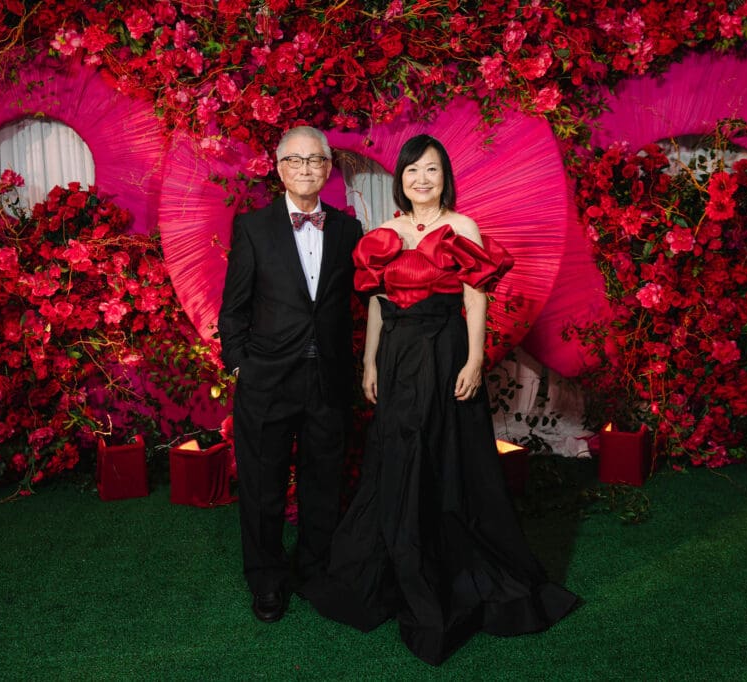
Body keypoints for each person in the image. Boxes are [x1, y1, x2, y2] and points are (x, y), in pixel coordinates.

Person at [304, 134, 578, 665]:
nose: (421, 180)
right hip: (400, 354)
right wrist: (368, 362)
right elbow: (380, 304)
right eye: (412, 171)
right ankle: (399, 555)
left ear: (443, 177)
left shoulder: (463, 227)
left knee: (450, 451)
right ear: (400, 179)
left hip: (448, 348)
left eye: (431, 170)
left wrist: (475, 360)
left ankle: (452, 559)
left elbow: (476, 299)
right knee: (399, 448)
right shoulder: (385, 233)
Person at [218, 126, 364, 623]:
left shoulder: (348, 231)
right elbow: (233, 309)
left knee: (324, 482)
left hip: (328, 379)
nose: (306, 168)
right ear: (279, 169)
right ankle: (266, 579)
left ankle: (313, 570)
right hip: (267, 380)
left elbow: (361, 304)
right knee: (263, 486)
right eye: (295, 160)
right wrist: (241, 364)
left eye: (315, 160)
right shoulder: (253, 228)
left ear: (328, 168)